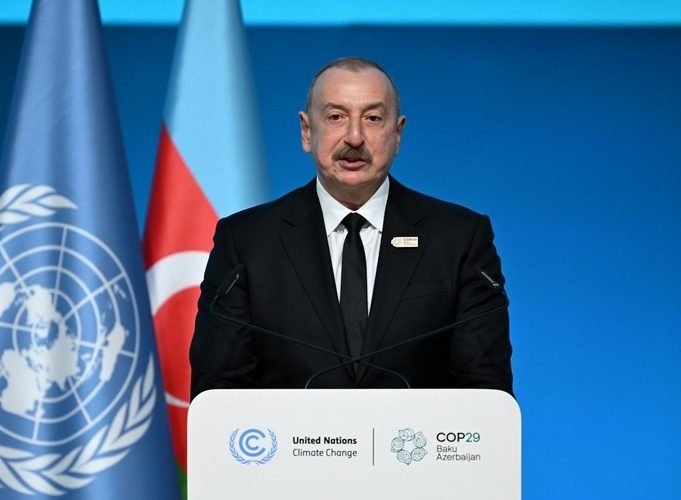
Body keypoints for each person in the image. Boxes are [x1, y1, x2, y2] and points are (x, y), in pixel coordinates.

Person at [190, 57, 512, 397]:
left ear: (398, 133)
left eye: (373, 118)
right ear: (306, 131)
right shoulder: (246, 241)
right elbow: (220, 390)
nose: (355, 137)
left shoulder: (459, 238)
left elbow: (485, 392)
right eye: (335, 117)